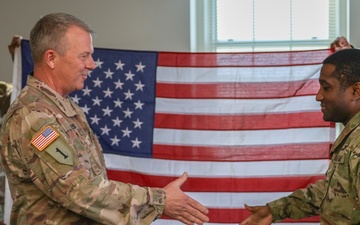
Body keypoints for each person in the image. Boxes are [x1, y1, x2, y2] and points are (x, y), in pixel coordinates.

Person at [0, 13, 209, 225]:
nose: (92, 64)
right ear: (51, 58)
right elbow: (77, 190)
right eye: (84, 56)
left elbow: (92, 183)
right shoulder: (33, 117)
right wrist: (158, 200)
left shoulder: (65, 108)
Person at [239, 48, 360, 224]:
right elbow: (336, 191)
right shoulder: (352, 135)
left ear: (356, 90)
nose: (319, 96)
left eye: (326, 87)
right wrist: (277, 209)